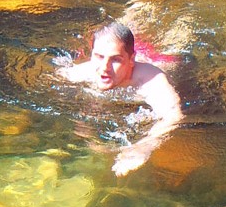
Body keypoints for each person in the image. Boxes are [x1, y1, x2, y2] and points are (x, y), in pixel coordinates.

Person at [58, 21, 183, 176]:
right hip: (128, 48)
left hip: (159, 58)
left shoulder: (150, 79)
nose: (104, 67)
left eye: (115, 60)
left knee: (181, 33)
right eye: (99, 56)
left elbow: (173, 116)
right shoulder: (82, 73)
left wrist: (142, 148)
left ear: (131, 60)